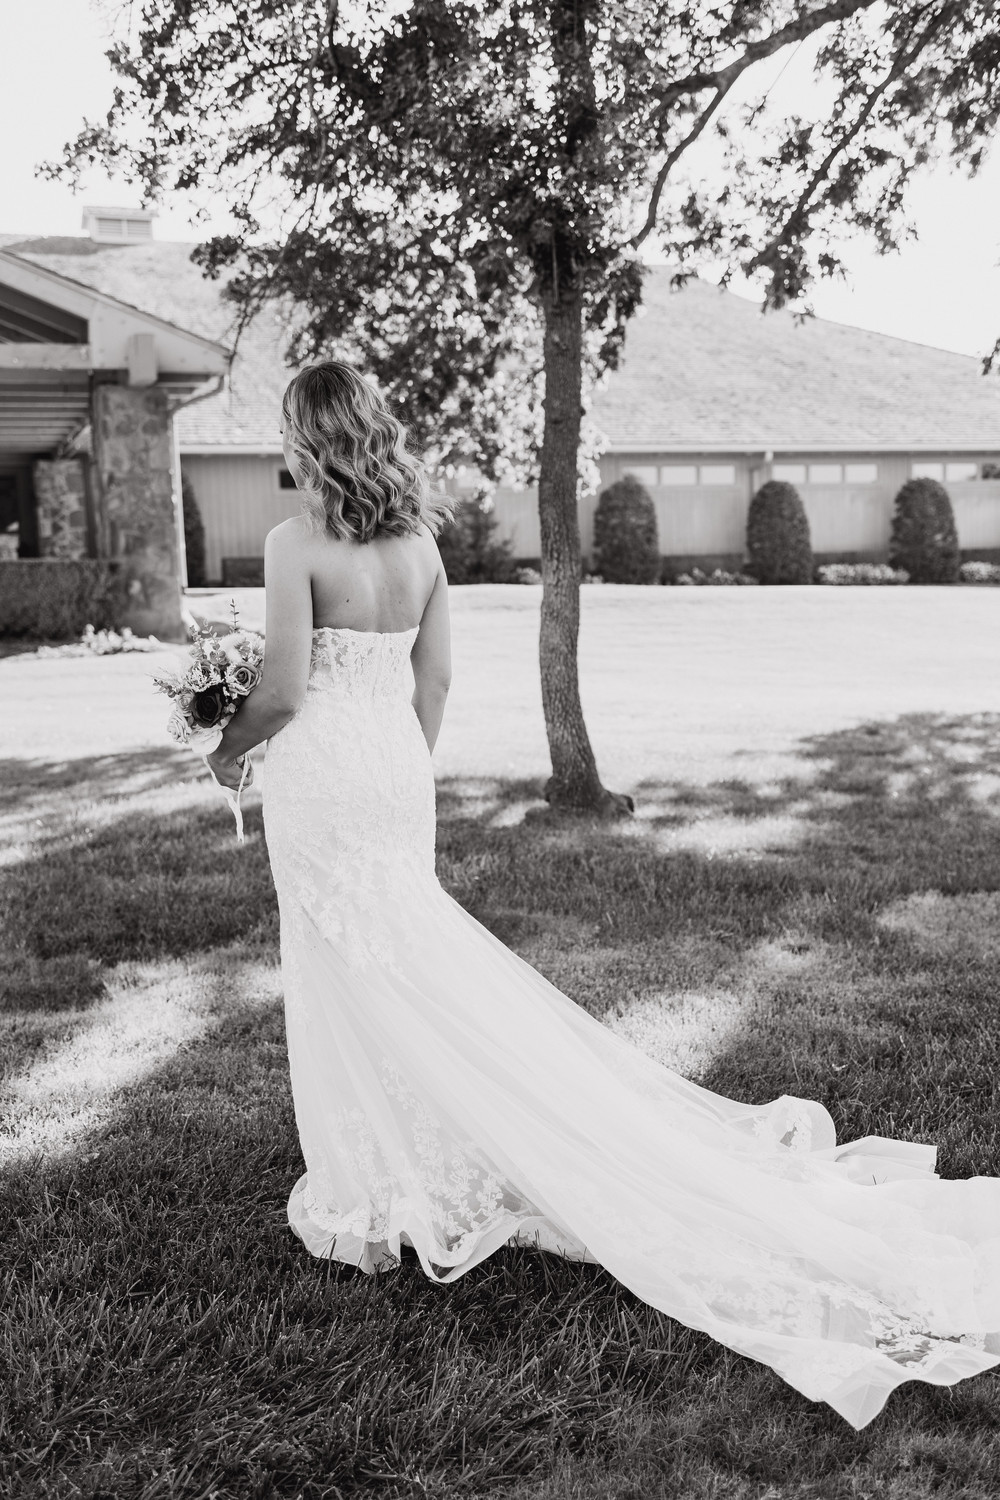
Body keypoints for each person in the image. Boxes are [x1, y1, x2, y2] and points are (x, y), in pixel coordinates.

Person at [206, 360, 1000, 1431]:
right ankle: (418, 1146)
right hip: (391, 769)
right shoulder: (420, 548)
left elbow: (284, 689)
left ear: (308, 438)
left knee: (348, 966)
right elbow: (433, 684)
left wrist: (225, 749)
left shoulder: (294, 543)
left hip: (323, 776)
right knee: (407, 955)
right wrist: (397, 765)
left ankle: (375, 1182)